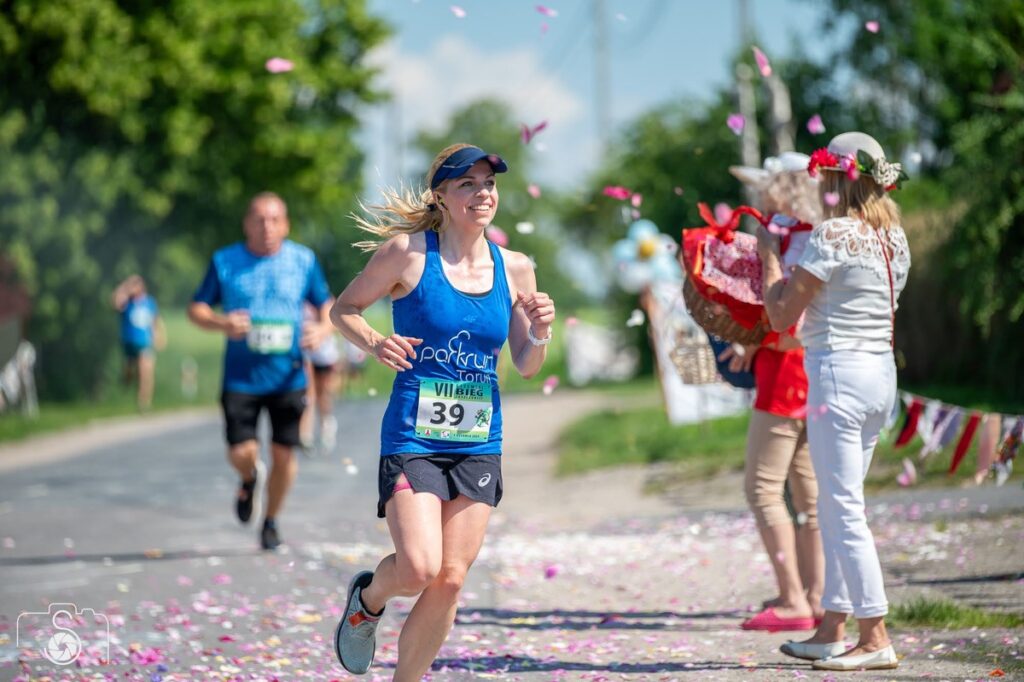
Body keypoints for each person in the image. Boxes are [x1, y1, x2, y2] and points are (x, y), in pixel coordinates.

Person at [330, 143, 555, 679]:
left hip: (478, 440)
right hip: (414, 437)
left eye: (489, 184)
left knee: (451, 577)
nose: (483, 193)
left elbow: (526, 364)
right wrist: (374, 342)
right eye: (468, 185)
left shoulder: (516, 267)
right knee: (419, 567)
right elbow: (343, 309)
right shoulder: (407, 253)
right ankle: (367, 601)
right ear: (442, 196)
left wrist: (542, 330)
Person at [758, 132, 910, 671]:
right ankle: (831, 627)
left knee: (840, 508)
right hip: (881, 376)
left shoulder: (834, 235)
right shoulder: (895, 239)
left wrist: (770, 257)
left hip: (838, 374)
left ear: (832, 178)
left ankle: (875, 635)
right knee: (845, 500)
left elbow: (780, 315)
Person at [188, 192, 333, 551]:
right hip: (241, 377)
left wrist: (323, 329)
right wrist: (222, 323)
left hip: (289, 375)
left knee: (285, 454)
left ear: (285, 225)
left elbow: (328, 304)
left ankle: (270, 521)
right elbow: (197, 308)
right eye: (258, 219)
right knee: (241, 451)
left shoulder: (303, 260)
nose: (266, 226)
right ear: (246, 224)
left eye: (274, 219)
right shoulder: (225, 261)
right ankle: (250, 475)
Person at [725, 153, 825, 632]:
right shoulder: (823, 231)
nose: (759, 196)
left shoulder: (786, 235)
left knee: (763, 489)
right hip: (817, 370)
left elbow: (788, 317)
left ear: (784, 187)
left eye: (766, 187)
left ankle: (792, 600)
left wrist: (752, 336)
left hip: (786, 372)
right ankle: (817, 595)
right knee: (809, 495)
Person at [112, 274, 165, 411]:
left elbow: (155, 320)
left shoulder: (149, 302)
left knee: (146, 372)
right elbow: (115, 303)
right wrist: (124, 287)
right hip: (129, 343)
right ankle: (124, 389)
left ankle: (144, 403)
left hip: (145, 342)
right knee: (129, 372)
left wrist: (158, 335)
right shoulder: (127, 303)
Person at [299, 301, 343, 453]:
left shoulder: (323, 298)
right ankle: (306, 435)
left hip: (324, 353)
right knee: (308, 393)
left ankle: (326, 422)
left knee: (323, 394)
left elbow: (337, 320)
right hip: (304, 352)